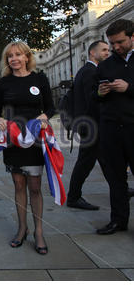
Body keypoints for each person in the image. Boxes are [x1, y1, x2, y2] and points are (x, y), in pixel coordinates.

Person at [0, 41, 55, 255]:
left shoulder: (40, 79)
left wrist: (46, 116)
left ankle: (38, 231)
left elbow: (51, 107)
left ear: (27, 57)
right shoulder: (3, 83)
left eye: (18, 54)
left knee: (35, 187)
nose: (14, 59)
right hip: (13, 140)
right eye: (10, 56)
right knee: (19, 185)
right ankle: (22, 228)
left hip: (35, 138)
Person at [95, 19, 134, 235]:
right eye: (112, 44)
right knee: (116, 178)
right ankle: (118, 220)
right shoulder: (106, 65)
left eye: (120, 42)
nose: (116, 47)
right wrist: (99, 93)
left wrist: (129, 88)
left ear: (132, 37)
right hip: (112, 129)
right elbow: (94, 95)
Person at [66, 41, 110, 210]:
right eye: (104, 50)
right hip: (92, 124)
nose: (108, 52)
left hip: (87, 124)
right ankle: (73, 197)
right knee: (86, 161)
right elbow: (92, 100)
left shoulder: (85, 71)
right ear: (92, 53)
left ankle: (119, 187)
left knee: (104, 159)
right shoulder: (91, 72)